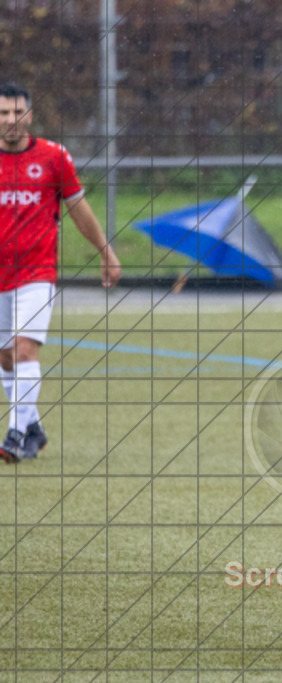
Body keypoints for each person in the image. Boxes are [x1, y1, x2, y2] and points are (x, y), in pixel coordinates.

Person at [0, 83, 121, 464]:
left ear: (29, 115)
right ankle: (33, 427)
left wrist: (106, 252)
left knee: (24, 349)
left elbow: (78, 209)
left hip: (36, 272)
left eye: (17, 112)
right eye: (3, 113)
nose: (10, 120)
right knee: (5, 358)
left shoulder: (54, 157)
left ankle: (16, 436)